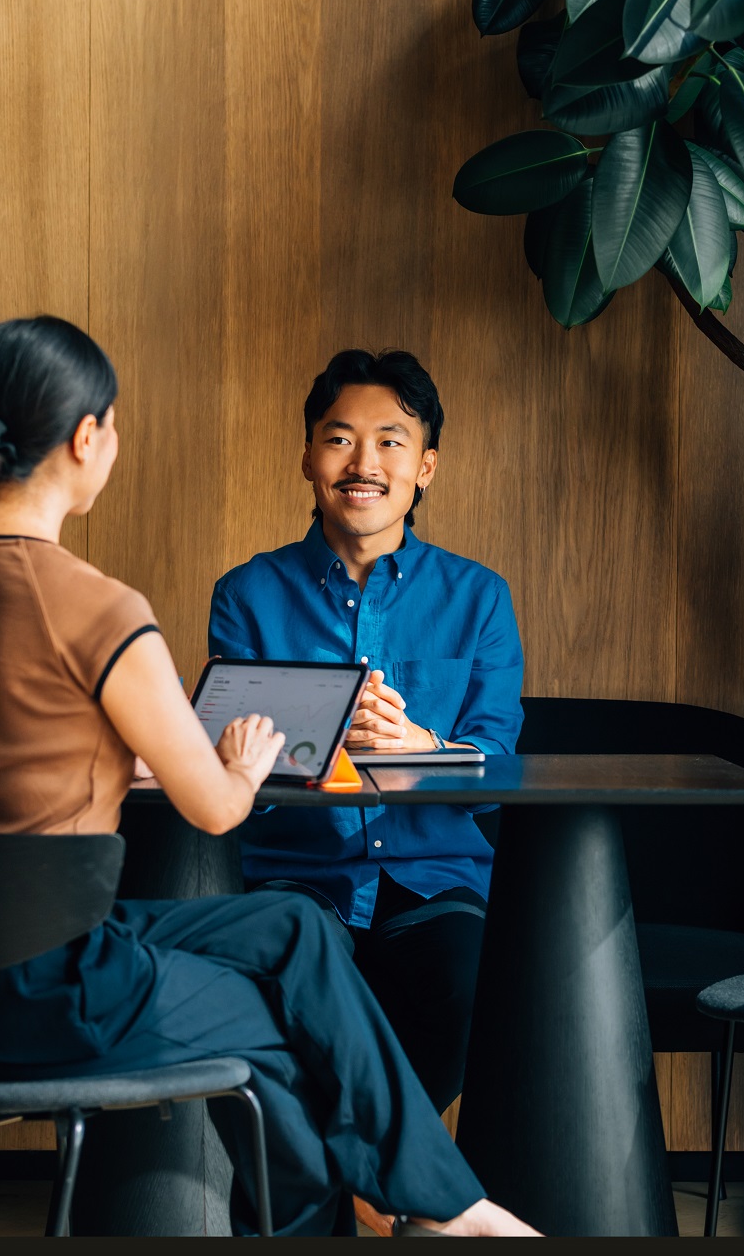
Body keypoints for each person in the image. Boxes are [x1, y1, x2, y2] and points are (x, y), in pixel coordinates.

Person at [0, 315, 535, 1237]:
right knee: (277, 1022)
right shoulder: (101, 605)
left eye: (390, 441)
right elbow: (218, 805)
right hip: (55, 972)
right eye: (110, 425)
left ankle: (425, 1206)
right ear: (86, 438)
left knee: (289, 944)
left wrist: (103, 760)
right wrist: (231, 761)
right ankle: (442, 1208)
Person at [208, 349, 523, 1114]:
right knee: (278, 970)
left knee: (468, 975)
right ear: (309, 457)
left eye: (391, 440)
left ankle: (358, 1182)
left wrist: (425, 749)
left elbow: (498, 773)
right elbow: (230, 780)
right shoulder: (246, 595)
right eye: (340, 437)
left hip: (434, 881)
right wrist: (310, 746)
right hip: (297, 876)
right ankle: (383, 1193)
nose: (364, 461)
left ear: (425, 468)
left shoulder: (480, 598)